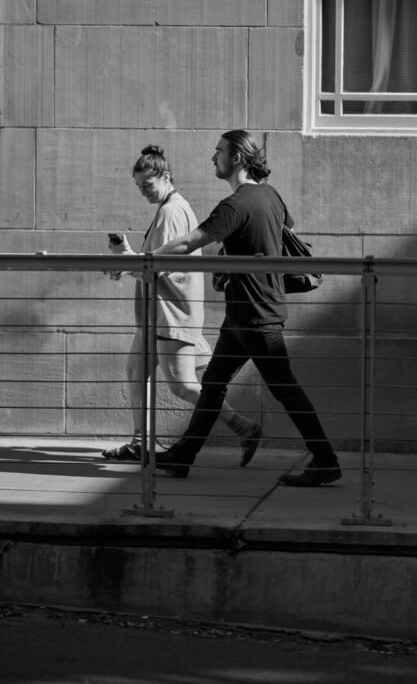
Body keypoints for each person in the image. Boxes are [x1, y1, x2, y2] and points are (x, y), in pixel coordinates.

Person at [120, 131, 341, 487]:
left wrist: (144, 259)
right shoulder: (270, 195)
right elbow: (287, 227)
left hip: (256, 315)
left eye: (219, 151)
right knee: (212, 384)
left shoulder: (234, 205)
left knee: (284, 388)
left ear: (237, 157)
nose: (213, 157)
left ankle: (326, 460)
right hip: (244, 314)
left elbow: (190, 242)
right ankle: (183, 455)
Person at [102, 144, 262, 467]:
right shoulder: (170, 208)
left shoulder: (171, 212)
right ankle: (140, 442)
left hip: (171, 314)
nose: (144, 192)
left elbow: (158, 267)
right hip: (160, 314)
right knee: (136, 370)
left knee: (183, 385)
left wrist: (124, 263)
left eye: (148, 184)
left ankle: (243, 427)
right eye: (139, 186)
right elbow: (156, 261)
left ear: (166, 176)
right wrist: (127, 257)